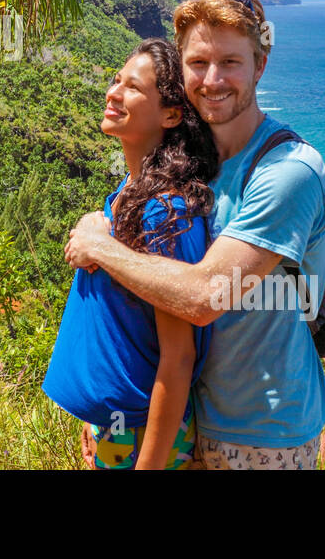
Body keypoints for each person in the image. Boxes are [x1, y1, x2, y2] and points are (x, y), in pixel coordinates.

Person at [64, 0, 325, 469]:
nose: (213, 79)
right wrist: (113, 417)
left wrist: (99, 246)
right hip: (192, 422)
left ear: (260, 65)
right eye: (198, 63)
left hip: (262, 433)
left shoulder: (288, 171)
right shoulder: (195, 166)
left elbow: (202, 297)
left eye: (231, 62)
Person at [42, 38, 219, 469]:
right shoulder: (128, 194)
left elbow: (178, 359)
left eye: (133, 88)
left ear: (171, 114)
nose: (113, 92)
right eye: (115, 80)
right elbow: (117, 328)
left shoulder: (166, 213)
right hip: (120, 428)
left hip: (147, 437)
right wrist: (98, 419)